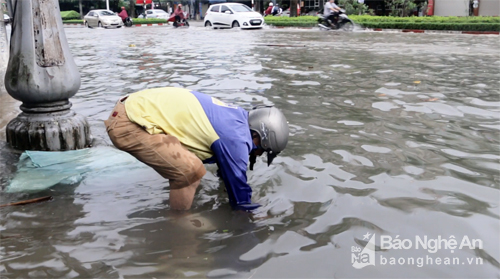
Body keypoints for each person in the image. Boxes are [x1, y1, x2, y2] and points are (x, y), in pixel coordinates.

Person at [104, 87, 289, 211]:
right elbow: (239, 196)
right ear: (257, 137)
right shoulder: (238, 139)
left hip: (132, 108)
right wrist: (254, 214)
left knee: (192, 163)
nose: (257, 154)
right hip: (129, 122)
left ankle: (181, 204)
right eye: (262, 151)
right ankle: (179, 227)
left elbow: (228, 174)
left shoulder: (235, 118)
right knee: (190, 171)